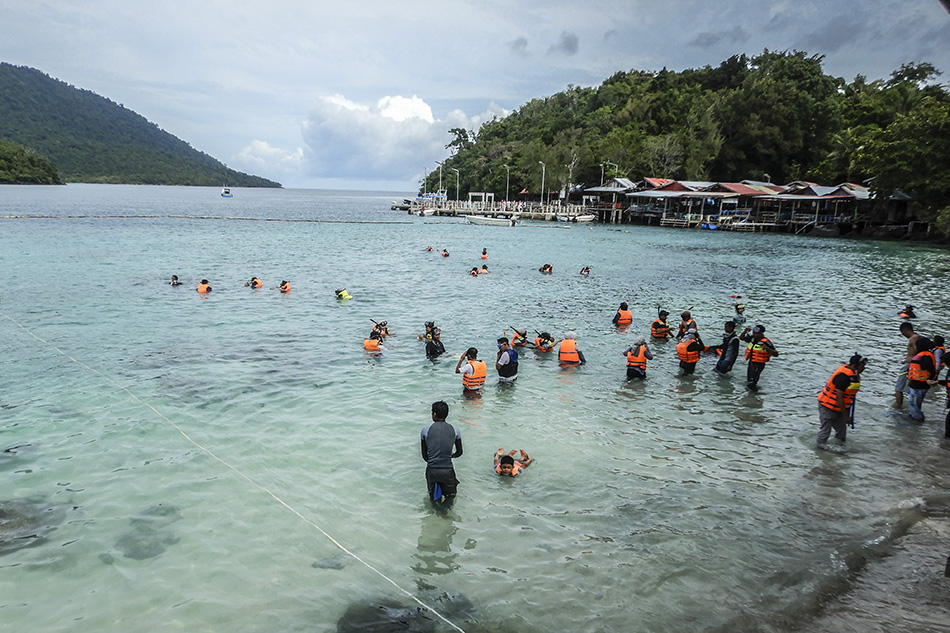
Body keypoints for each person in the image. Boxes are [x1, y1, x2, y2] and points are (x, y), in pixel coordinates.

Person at [817, 354, 868, 445]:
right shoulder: (843, 377)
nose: (864, 368)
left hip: (839, 408)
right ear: (854, 366)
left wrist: (845, 414)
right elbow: (839, 397)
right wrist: (846, 416)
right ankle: (820, 450)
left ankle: (839, 452)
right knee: (825, 432)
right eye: (862, 366)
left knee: (841, 433)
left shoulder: (854, 374)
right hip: (827, 406)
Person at [420, 401, 463, 504]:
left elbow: (425, 456)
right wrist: (450, 456)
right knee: (450, 497)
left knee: (433, 499)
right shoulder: (455, 430)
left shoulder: (425, 430)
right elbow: (460, 452)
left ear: (434, 414)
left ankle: (436, 515)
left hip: (432, 470)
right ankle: (446, 515)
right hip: (447, 470)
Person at [907, 337, 938, 422]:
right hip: (917, 384)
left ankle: (917, 421)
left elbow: (931, 369)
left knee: (914, 404)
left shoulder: (925, 356)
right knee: (914, 404)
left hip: (920, 385)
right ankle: (915, 419)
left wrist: (929, 379)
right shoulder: (924, 355)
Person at [740, 324, 779, 391]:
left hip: (759, 363)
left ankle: (754, 394)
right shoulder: (752, 338)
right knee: (749, 379)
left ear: (761, 333)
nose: (754, 334)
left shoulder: (766, 342)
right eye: (753, 332)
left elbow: (776, 354)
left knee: (753, 381)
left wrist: (767, 348)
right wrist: (745, 331)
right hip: (752, 361)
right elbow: (741, 338)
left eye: (756, 333)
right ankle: (751, 396)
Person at [894, 322, 920, 408]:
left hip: (910, 365)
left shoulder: (913, 338)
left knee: (898, 388)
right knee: (911, 388)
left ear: (905, 330)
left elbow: (918, 351)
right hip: (912, 365)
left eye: (902, 333)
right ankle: (911, 406)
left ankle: (898, 407)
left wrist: (910, 361)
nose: (903, 335)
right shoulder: (918, 337)